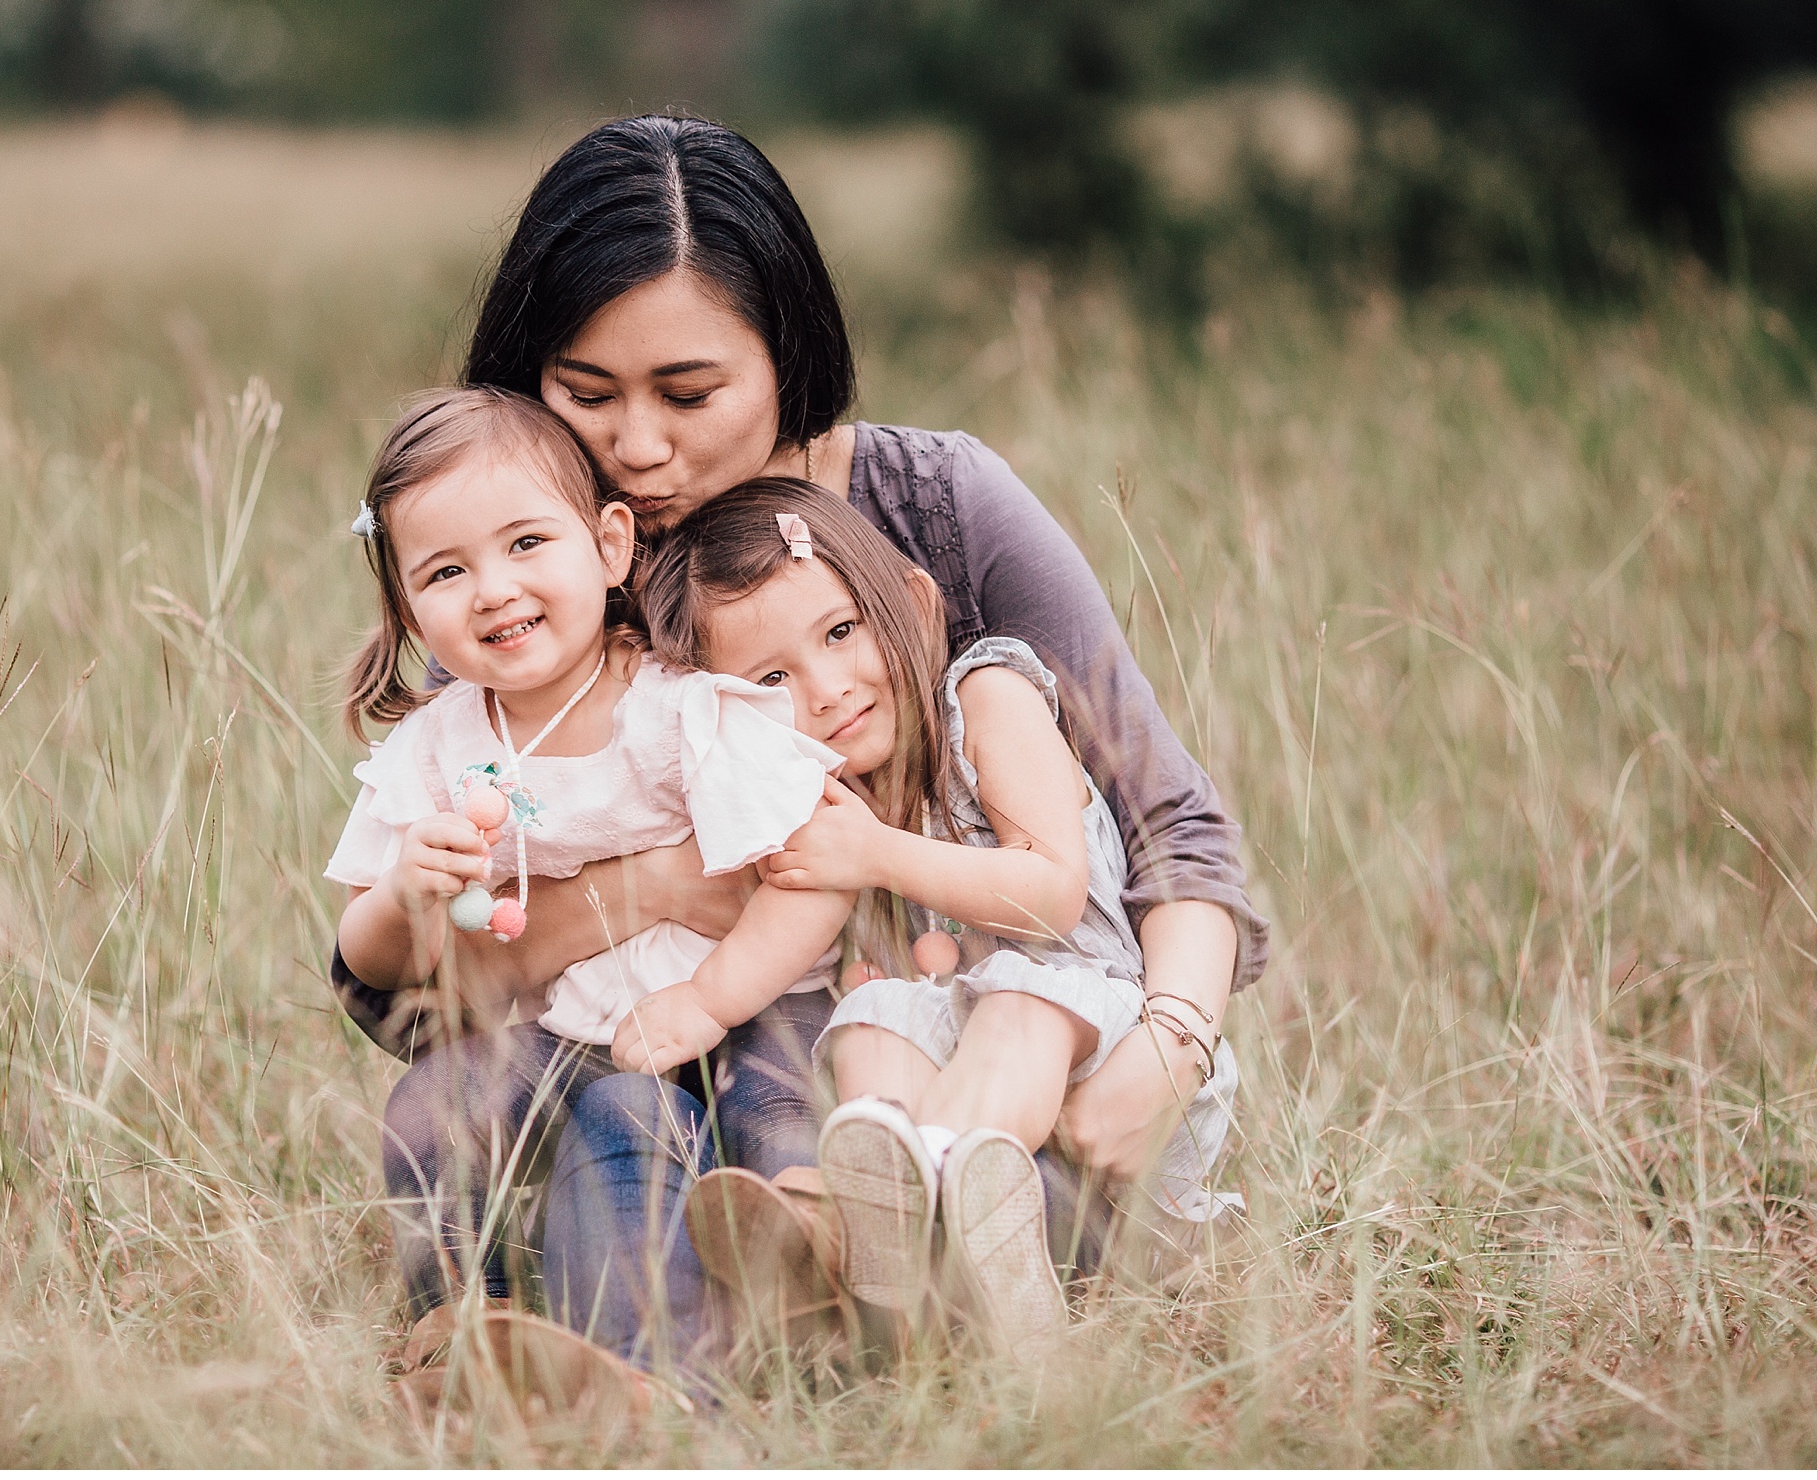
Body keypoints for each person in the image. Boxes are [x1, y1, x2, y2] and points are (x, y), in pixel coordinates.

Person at [331, 113, 1264, 1379]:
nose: (640, 447)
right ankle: (655, 1349)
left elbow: (1172, 827)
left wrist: (1163, 1049)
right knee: (494, 1124)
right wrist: (656, 891)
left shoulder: (935, 507)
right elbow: (418, 992)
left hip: (920, 1046)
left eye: (691, 392)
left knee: (942, 1164)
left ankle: (738, 1312)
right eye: (585, 394)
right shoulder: (520, 557)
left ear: (789, 351)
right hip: (623, 1048)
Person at [328, 386, 869, 1379]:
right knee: (432, 1103)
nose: (492, 588)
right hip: (575, 1030)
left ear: (611, 545)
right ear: (408, 607)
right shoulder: (436, 748)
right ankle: (466, 1315)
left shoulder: (681, 708)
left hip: (751, 1012)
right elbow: (368, 959)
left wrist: (711, 1001)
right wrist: (404, 891)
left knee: (755, 1123)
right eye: (447, 570)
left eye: (526, 543)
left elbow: (816, 874)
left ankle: (763, 1314)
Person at [635, 478, 1239, 1357]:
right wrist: (704, 999)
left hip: (1103, 1048)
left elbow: (1051, 889)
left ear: (913, 606)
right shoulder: (827, 797)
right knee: (870, 1023)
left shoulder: (987, 696)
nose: (828, 687)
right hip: (992, 1109)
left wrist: (876, 855)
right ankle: (925, 1264)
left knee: (1017, 1009)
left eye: (842, 632)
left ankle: (895, 1224)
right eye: (772, 678)